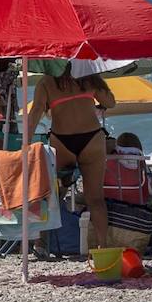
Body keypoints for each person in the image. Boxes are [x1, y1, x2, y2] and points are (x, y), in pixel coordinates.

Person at [25, 61, 116, 250]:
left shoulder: (47, 81)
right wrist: (96, 80)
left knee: (53, 195)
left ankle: (41, 243)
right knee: (96, 199)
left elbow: (35, 112)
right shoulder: (88, 77)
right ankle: (103, 247)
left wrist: (25, 143)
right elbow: (110, 102)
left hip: (62, 141)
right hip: (91, 140)